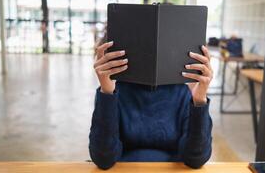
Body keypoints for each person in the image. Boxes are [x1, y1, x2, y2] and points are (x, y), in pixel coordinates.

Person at [89, 33, 213, 170]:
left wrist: (199, 100)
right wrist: (107, 93)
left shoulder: (184, 93)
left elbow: (196, 159)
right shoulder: (114, 92)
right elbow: (103, 159)